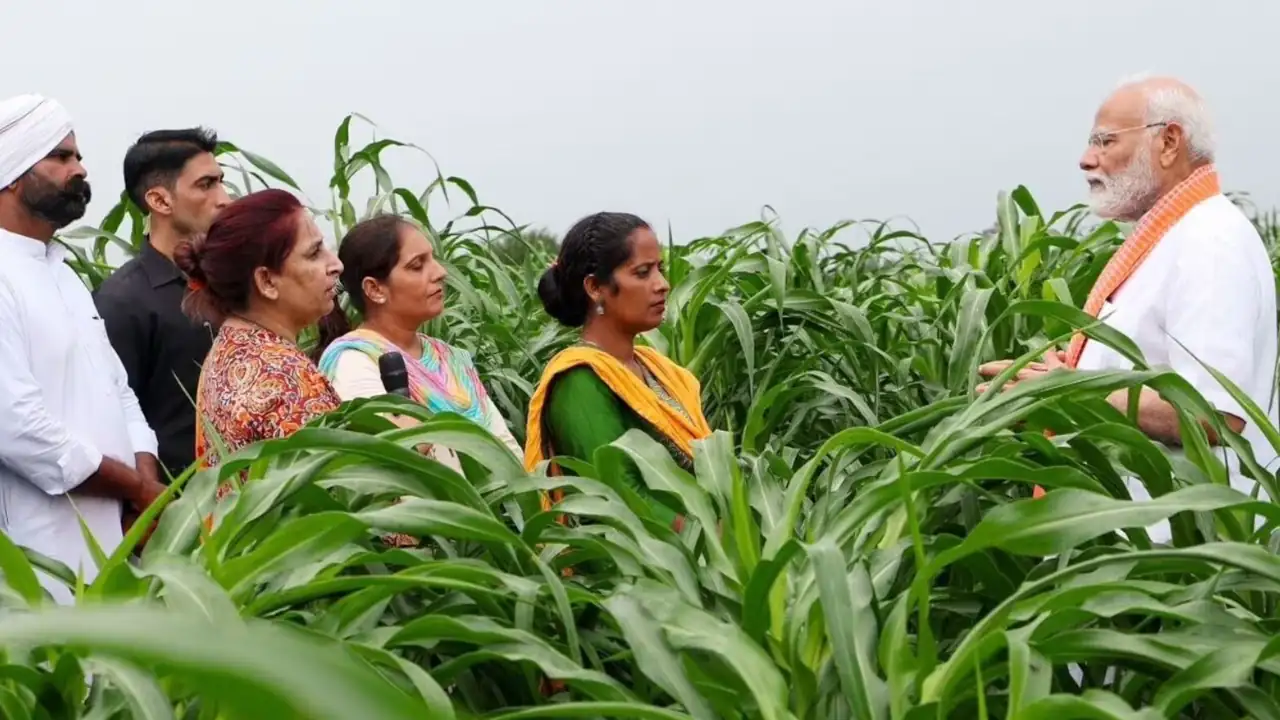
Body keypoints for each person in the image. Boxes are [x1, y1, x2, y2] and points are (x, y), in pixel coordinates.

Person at [979, 75, 1279, 543]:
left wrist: (1068, 394)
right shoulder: (1172, 237)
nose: (1087, 158)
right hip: (1142, 556)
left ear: (1169, 141)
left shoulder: (1209, 242)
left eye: (1105, 141)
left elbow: (1215, 413)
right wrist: (1060, 382)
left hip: (1178, 563)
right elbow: (1146, 373)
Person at [0, 94, 165, 604]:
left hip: (118, 537)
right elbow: (17, 426)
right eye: (62, 157)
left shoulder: (63, 275)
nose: (80, 168)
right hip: (39, 552)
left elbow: (119, 391)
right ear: (12, 173)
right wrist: (137, 491)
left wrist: (145, 483)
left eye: (77, 155)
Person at [524, 212, 713, 529]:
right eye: (642, 273)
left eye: (660, 270)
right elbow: (620, 503)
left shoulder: (657, 369)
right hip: (648, 567)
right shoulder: (580, 380)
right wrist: (720, 539)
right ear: (596, 287)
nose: (663, 285)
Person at [315, 215, 522, 467]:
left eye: (433, 259)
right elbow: (394, 461)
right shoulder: (353, 361)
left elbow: (510, 453)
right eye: (417, 265)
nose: (440, 272)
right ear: (375, 289)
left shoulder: (450, 358)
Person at [174, 188, 343, 485]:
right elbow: (347, 495)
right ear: (266, 281)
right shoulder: (287, 378)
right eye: (314, 253)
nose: (335, 264)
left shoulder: (228, 347)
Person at [94, 128, 230, 481]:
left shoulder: (234, 286)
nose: (225, 198)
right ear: (160, 201)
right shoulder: (122, 301)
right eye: (206, 185)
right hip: (177, 517)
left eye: (221, 182)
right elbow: (111, 422)